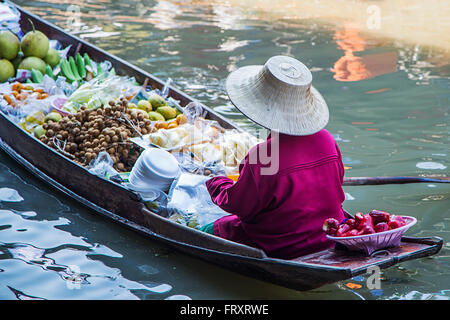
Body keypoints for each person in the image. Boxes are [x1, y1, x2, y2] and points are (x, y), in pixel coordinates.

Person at [200, 55, 346, 260]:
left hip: (282, 245)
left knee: (205, 229)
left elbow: (241, 207)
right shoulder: (327, 139)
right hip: (332, 233)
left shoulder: (264, 156)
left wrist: (216, 181)